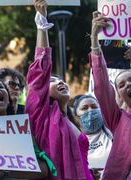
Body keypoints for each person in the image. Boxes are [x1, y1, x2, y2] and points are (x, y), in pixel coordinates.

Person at [25, 0, 93, 179]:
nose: (60, 82)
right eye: (52, 81)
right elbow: (40, 73)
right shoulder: (40, 116)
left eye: (61, 79)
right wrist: (42, 24)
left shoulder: (72, 119)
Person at [90, 11, 131, 179]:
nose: (128, 85)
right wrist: (95, 40)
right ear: (118, 95)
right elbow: (102, 86)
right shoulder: (118, 120)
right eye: (121, 85)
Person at [0, 78, 52, 180]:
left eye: (0, 86)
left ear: (8, 101)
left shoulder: (21, 128)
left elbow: (43, 170)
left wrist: (3, 172)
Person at [73, 95, 113, 178]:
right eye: (84, 108)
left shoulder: (112, 131)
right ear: (76, 118)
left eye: (94, 107)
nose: (90, 110)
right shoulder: (74, 141)